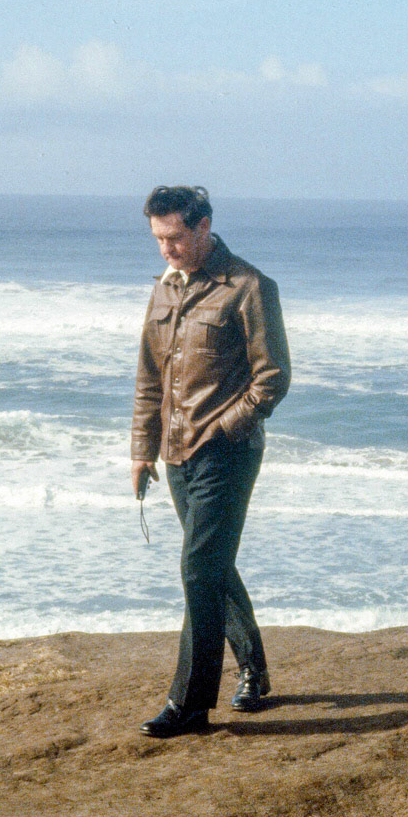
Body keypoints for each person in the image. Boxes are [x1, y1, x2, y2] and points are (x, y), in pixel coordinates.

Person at [131, 186, 290, 737]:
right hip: (174, 458)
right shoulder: (162, 292)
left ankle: (191, 704)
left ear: (203, 228)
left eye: (174, 237)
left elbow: (273, 378)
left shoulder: (248, 287)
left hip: (227, 453)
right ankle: (253, 668)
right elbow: (149, 380)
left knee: (198, 569)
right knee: (212, 566)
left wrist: (222, 430)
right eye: (158, 239)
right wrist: (141, 451)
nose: (166, 250)